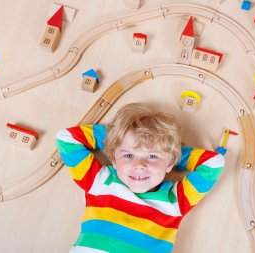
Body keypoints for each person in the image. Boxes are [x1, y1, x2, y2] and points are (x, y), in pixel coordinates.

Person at [56, 103, 225, 253]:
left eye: (151, 156)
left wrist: (170, 154)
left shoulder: (175, 202)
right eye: (128, 155)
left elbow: (214, 162)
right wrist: (117, 138)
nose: (139, 165)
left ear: (171, 162)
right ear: (114, 159)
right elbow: (66, 138)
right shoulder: (100, 182)